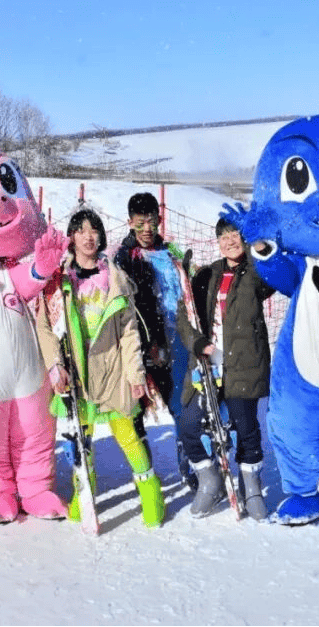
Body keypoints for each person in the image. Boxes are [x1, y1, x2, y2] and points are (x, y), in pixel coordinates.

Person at [36, 208, 166, 528]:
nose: (88, 236)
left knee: (128, 436)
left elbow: (129, 331)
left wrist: (136, 375)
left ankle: (150, 491)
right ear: (72, 237)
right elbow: (45, 329)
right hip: (77, 373)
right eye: (81, 230)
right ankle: (85, 489)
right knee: (82, 440)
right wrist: (55, 366)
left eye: (94, 230)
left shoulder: (116, 278)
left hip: (113, 371)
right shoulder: (58, 281)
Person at [175, 217, 276, 519]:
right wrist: (197, 343)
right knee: (190, 423)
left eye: (236, 235)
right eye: (225, 237)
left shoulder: (258, 272)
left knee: (246, 428)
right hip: (208, 364)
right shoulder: (208, 274)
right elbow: (185, 314)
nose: (231, 241)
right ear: (217, 242)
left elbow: (278, 272)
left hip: (244, 363)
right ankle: (210, 481)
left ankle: (252, 488)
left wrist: (262, 245)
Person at [112, 192, 190, 484]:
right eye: (141, 222)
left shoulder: (172, 253)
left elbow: (188, 287)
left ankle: (190, 460)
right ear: (130, 222)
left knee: (180, 403)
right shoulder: (122, 258)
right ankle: (145, 474)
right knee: (136, 411)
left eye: (152, 222)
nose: (147, 229)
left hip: (175, 340)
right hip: (139, 345)